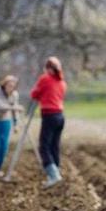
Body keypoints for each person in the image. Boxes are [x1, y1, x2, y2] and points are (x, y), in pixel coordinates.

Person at [30, 56, 67, 188]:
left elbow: (34, 94)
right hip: (60, 116)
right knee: (54, 145)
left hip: (49, 115)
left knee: (44, 146)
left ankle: (53, 175)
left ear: (49, 69)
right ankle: (56, 172)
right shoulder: (62, 83)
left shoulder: (45, 79)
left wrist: (39, 94)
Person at [0, 75, 24, 178]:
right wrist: (14, 107)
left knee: (4, 147)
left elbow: (15, 112)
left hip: (5, 121)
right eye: (9, 85)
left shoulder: (14, 95)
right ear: (4, 84)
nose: (11, 87)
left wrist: (16, 124)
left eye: (13, 85)